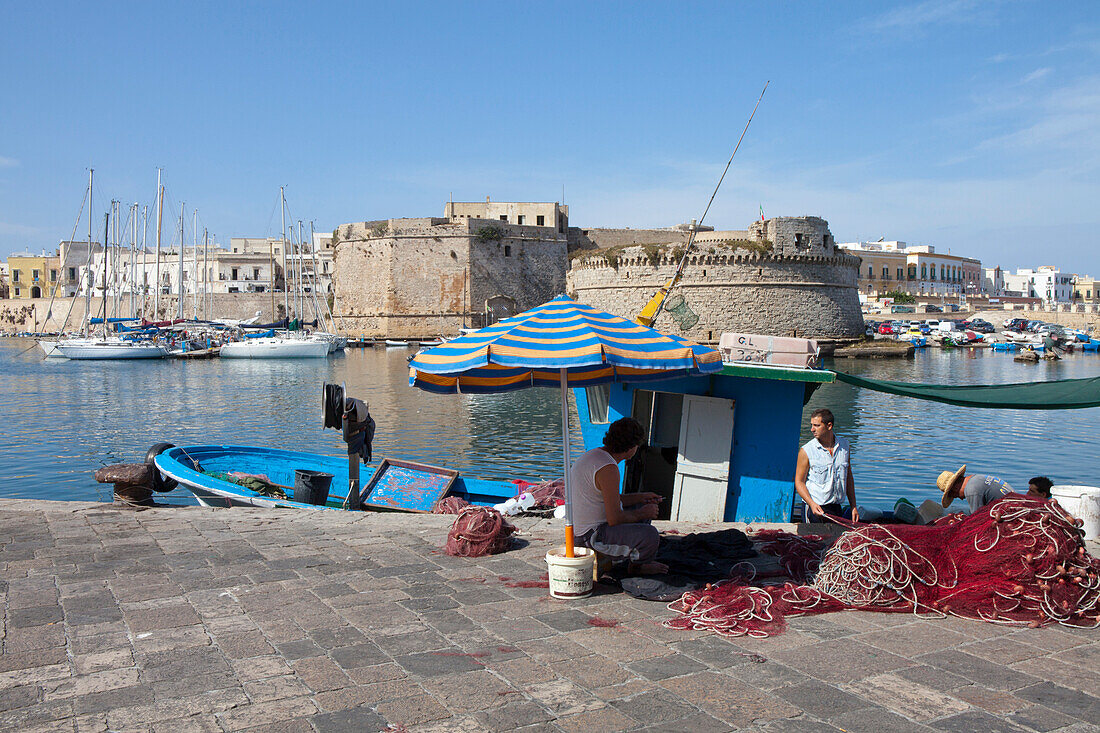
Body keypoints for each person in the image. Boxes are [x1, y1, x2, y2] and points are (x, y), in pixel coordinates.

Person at [572, 417, 668, 575]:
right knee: (650, 535)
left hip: (582, 531)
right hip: (591, 538)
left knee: (639, 508)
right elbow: (614, 518)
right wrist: (643, 513)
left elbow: (611, 499)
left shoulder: (596, 456)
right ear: (631, 447)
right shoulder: (608, 468)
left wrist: (641, 497)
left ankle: (636, 556)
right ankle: (638, 567)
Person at [795, 408, 858, 523]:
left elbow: (848, 477)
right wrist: (812, 504)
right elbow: (799, 482)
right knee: (814, 540)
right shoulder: (806, 451)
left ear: (829, 426)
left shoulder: (844, 446)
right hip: (815, 508)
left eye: (817, 425)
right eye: (812, 425)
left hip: (836, 506)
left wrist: (853, 506)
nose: (812, 429)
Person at [938, 465, 1014, 512]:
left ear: (955, 488)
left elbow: (977, 519)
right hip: (1015, 501)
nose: (961, 499)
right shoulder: (976, 478)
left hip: (1011, 510)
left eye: (956, 495)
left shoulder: (971, 490)